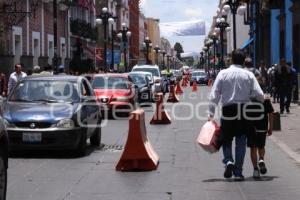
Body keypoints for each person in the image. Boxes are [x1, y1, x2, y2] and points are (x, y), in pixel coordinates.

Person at [208, 49, 264, 181]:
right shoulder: (248, 75)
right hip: (244, 110)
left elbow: (214, 94)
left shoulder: (223, 74)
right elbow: (259, 94)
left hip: (228, 110)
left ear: (232, 60)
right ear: (244, 60)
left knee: (226, 138)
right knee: (241, 141)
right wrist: (252, 97)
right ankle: (238, 172)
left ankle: (228, 161)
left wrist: (211, 113)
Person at [247, 96, 274, 178]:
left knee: (253, 148)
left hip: (251, 127)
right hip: (262, 127)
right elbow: (271, 113)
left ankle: (255, 169)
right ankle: (261, 159)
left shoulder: (247, 99)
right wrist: (271, 128)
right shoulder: (265, 99)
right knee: (261, 146)